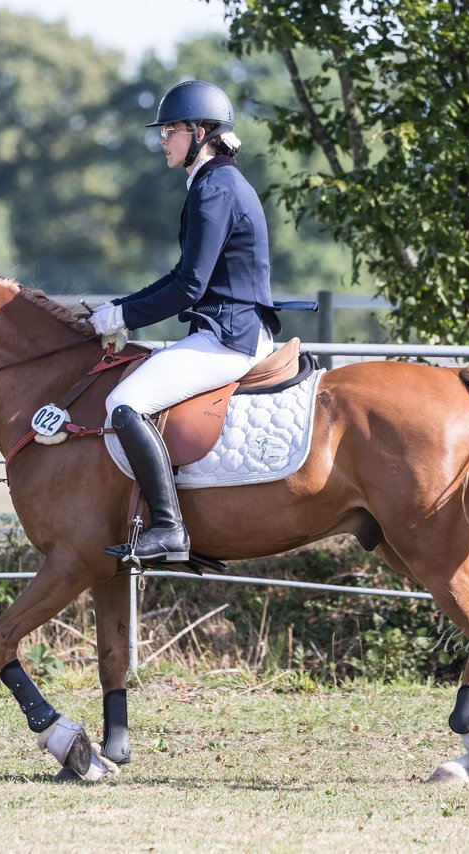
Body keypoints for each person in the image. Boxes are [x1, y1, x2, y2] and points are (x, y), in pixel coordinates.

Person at [90, 80, 300, 564]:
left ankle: (168, 528)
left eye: (171, 130)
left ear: (201, 132)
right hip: (229, 328)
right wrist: (120, 308)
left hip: (230, 337)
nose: (163, 140)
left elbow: (188, 289)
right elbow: (183, 276)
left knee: (124, 401)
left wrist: (122, 315)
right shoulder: (215, 183)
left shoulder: (215, 189)